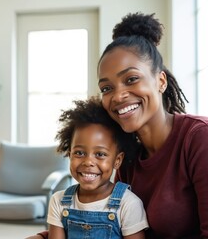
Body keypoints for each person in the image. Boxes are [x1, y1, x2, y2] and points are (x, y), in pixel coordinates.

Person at [28, 12, 208, 239]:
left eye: (131, 79)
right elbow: (113, 222)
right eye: (107, 88)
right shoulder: (129, 156)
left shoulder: (204, 139)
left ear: (161, 81)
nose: (118, 96)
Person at [48, 97, 148, 239]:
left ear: (117, 160)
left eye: (100, 154)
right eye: (79, 153)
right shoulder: (58, 201)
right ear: (70, 155)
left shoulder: (129, 204)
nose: (88, 162)